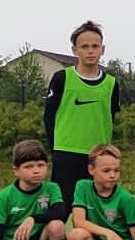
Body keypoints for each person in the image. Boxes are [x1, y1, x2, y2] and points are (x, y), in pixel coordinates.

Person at [42, 20, 120, 208]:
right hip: (67, 153)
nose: (90, 51)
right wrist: (56, 149)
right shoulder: (62, 78)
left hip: (98, 156)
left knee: (97, 210)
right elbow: (49, 116)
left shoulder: (111, 83)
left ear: (103, 49)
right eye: (84, 47)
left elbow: (110, 117)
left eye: (95, 46)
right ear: (74, 50)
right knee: (61, 209)